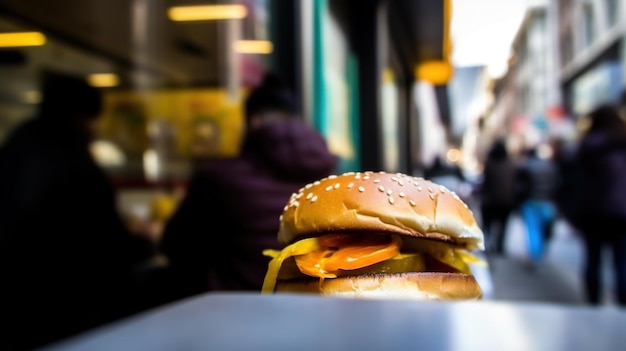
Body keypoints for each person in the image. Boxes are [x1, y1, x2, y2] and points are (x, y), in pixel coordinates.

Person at [0, 71, 154, 350]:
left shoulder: (18, 145)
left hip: (15, 303)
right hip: (68, 305)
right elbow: (105, 243)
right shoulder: (74, 163)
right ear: (80, 116)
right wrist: (146, 243)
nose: (93, 128)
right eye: (91, 119)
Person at [158, 73, 337, 302]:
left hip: (236, 309)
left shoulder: (218, 178)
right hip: (312, 303)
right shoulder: (328, 178)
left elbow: (175, 245)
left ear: (254, 121)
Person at [568, 104, 626, 306]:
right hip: (622, 213)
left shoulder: (588, 147)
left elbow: (578, 184)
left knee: (593, 259)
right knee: (622, 261)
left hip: (594, 212)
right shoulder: (622, 142)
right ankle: (622, 306)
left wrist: (575, 213)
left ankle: (594, 304)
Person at [514, 144, 560, 267]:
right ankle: (541, 254)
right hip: (548, 203)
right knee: (544, 230)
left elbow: (521, 187)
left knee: (533, 230)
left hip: (531, 202)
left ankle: (535, 257)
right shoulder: (550, 167)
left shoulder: (527, 167)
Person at [480, 138, 517, 255]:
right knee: (503, 225)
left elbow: (486, 182)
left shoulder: (489, 163)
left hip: (490, 200)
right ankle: (500, 246)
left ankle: (487, 244)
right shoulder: (511, 164)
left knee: (488, 225)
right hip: (506, 201)